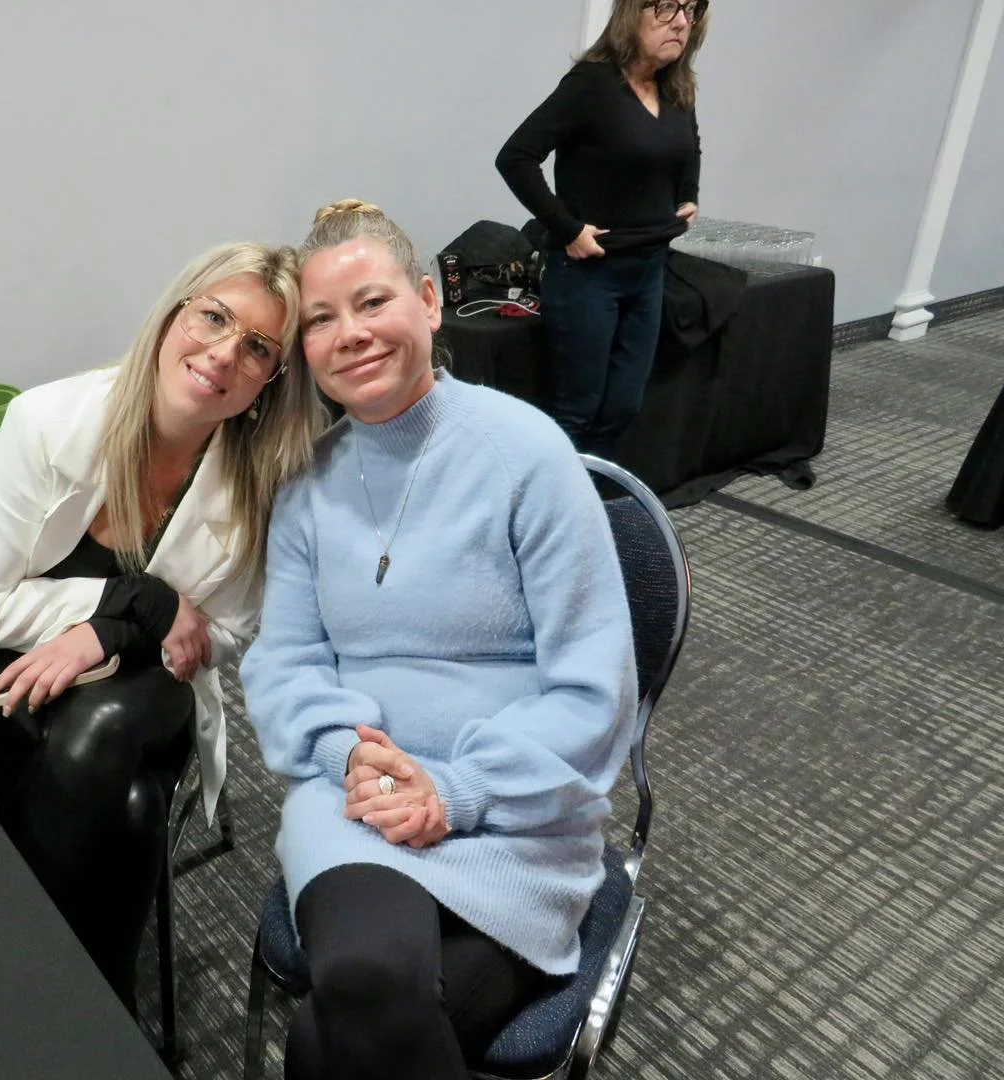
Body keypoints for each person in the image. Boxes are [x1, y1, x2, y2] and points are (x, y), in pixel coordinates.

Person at [239, 201, 637, 1080]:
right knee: (370, 974)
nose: (351, 334)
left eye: (373, 302)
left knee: (322, 1044)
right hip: (359, 799)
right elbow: (285, 661)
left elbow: (592, 690)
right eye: (321, 319)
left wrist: (455, 791)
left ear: (428, 301)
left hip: (518, 807)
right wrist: (349, 757)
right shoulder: (307, 486)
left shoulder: (526, 453)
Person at [0, 241, 324, 1012]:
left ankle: (26, 987)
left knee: (106, 725)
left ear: (268, 382)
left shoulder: (262, 479)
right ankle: (102, 1006)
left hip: (144, 689)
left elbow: (220, 635)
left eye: (258, 347)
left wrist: (119, 628)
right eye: (213, 318)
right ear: (170, 320)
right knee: (132, 811)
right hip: (6, 666)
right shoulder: (48, 422)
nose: (224, 354)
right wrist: (144, 603)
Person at [496, 0, 710, 458]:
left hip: (650, 269)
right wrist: (568, 229)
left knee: (624, 405)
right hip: (589, 274)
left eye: (691, 11)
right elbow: (515, 157)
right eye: (668, 7)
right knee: (578, 411)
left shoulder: (676, 88)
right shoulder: (591, 85)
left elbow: (689, 147)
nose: (680, 22)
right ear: (633, 13)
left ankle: (590, 503)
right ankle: (552, 517)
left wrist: (688, 194)